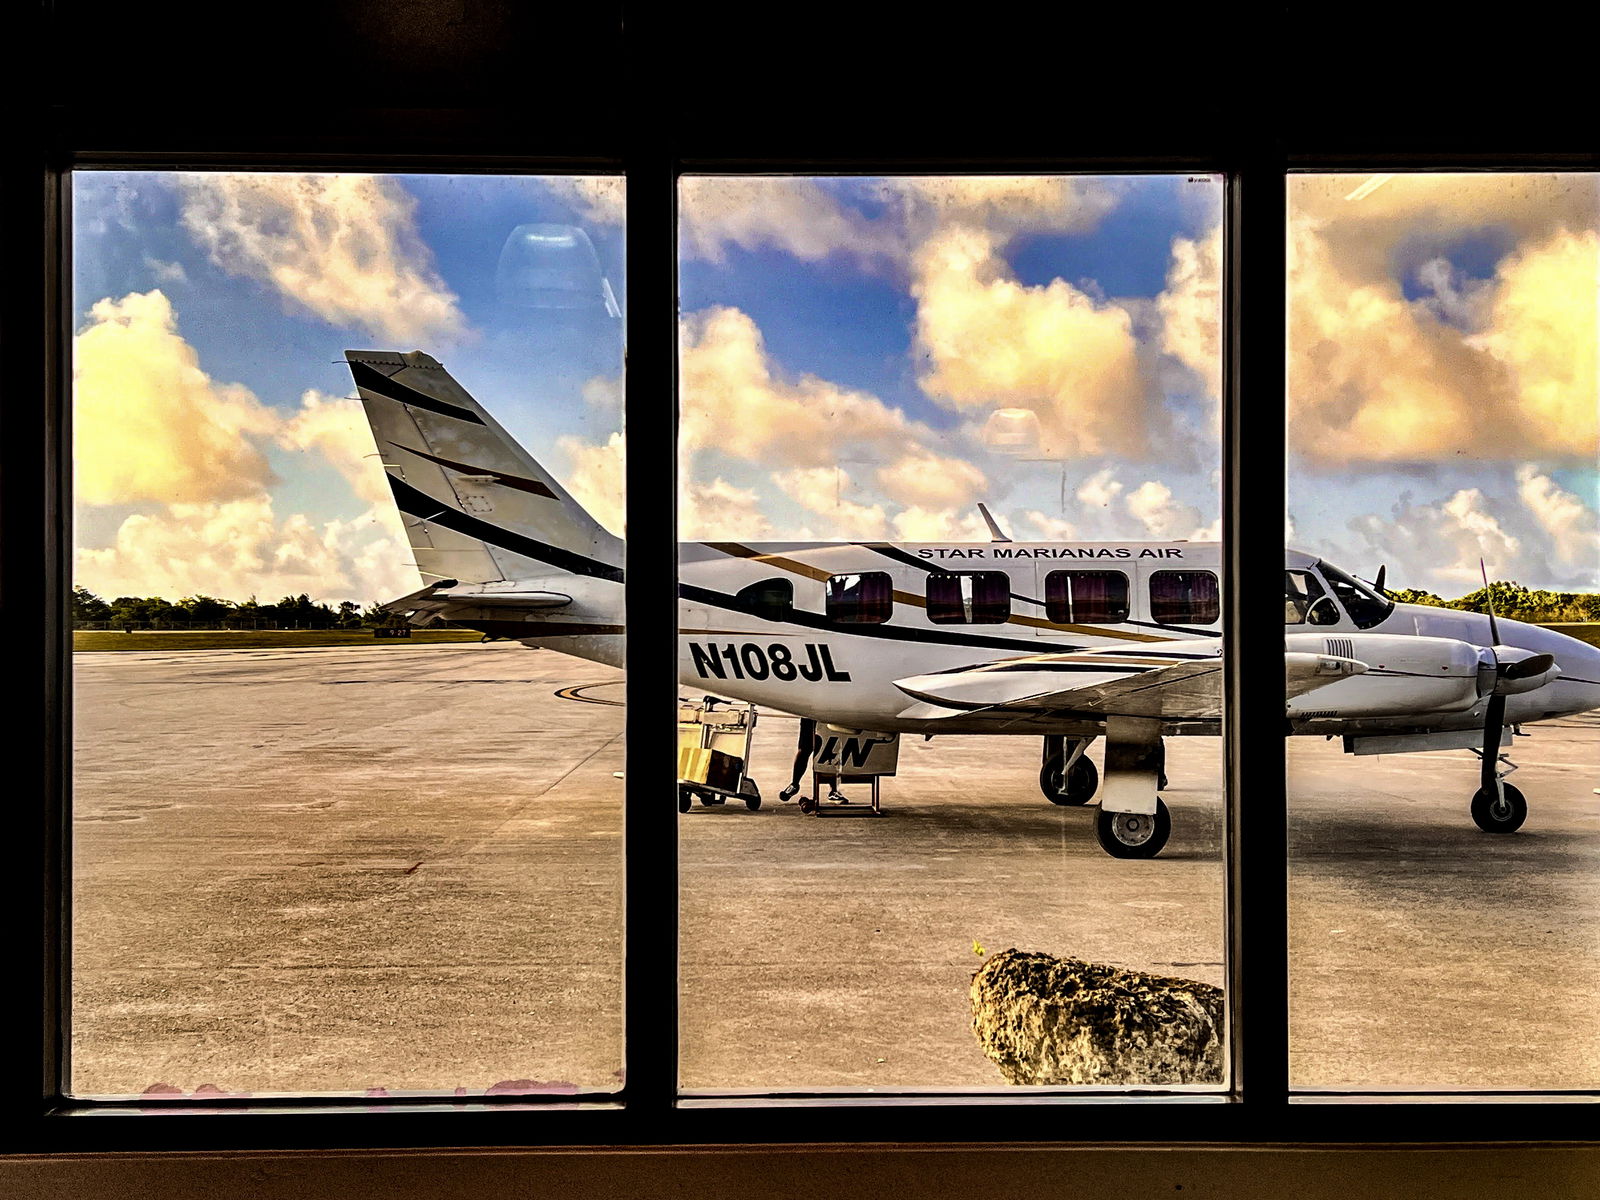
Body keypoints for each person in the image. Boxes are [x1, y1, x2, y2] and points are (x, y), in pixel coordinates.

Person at [778, 717, 818, 802]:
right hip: (810, 715)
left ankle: (834, 790)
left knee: (830, 747)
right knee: (804, 749)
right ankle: (794, 784)